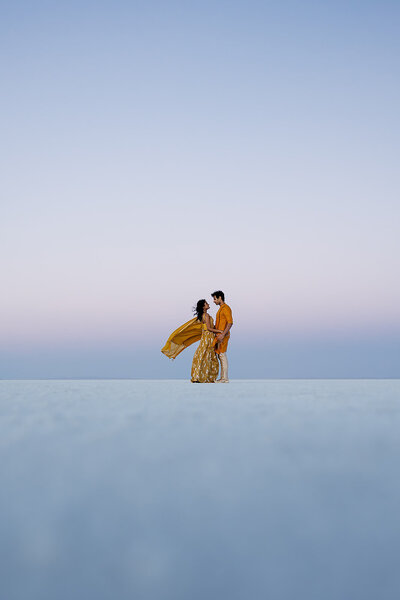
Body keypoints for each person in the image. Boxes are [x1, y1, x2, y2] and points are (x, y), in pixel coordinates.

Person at [161, 299, 222, 383]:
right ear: (203, 307)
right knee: (207, 355)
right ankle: (204, 377)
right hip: (208, 336)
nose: (208, 304)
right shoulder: (206, 315)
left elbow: (209, 327)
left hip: (206, 336)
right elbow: (209, 328)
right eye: (206, 303)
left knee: (203, 354)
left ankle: (199, 376)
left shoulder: (203, 315)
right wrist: (220, 331)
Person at [212, 290, 233, 383]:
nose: (214, 301)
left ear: (220, 298)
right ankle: (222, 378)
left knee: (222, 355)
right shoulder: (220, 309)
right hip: (219, 335)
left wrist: (223, 334)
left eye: (215, 299)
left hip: (223, 335)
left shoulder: (226, 308)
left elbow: (230, 322)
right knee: (220, 355)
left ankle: (224, 378)